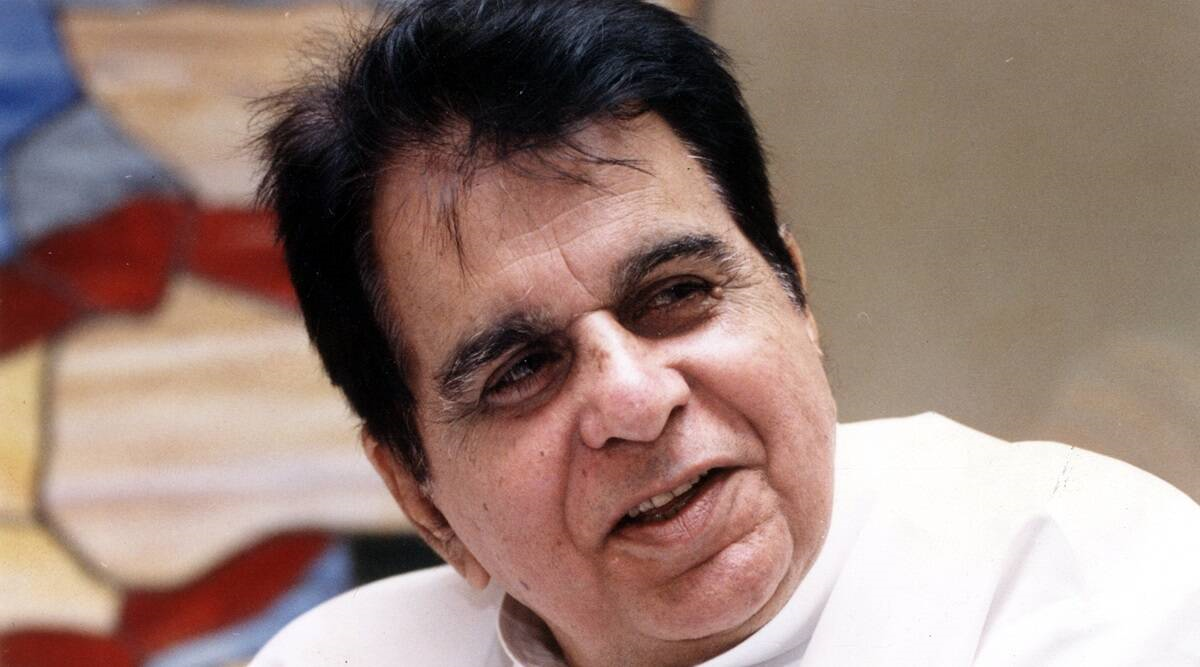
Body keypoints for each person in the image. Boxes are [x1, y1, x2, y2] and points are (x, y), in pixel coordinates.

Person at [250, 1, 1200, 665]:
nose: (634, 400)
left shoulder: (1093, 584)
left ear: (796, 293)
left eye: (676, 294)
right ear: (422, 498)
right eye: (523, 368)